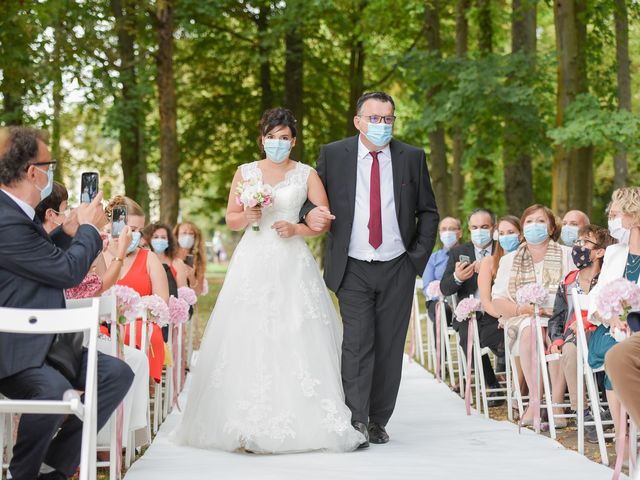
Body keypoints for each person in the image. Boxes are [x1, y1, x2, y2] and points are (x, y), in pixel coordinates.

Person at [173, 107, 364, 453]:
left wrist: (296, 228)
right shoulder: (245, 172)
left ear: (294, 141)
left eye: (284, 138)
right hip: (253, 258)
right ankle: (244, 423)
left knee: (296, 329)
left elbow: (324, 221)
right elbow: (230, 219)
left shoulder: (306, 174)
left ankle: (303, 418)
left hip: (292, 259)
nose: (277, 143)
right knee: (249, 331)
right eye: (271, 138)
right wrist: (247, 215)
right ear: (262, 140)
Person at [301, 91, 439, 445]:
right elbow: (308, 199)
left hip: (397, 265)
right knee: (358, 343)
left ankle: (378, 420)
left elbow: (428, 211)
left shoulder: (411, 157)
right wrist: (307, 214)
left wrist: (416, 260)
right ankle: (356, 419)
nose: (381, 125)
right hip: (353, 265)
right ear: (358, 121)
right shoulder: (333, 155)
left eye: (388, 119)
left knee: (390, 345)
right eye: (374, 118)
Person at [0, 126, 134, 480]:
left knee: (116, 374)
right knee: (54, 391)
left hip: (46, 347)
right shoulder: (4, 219)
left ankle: (51, 470)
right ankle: (22, 473)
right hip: (13, 351)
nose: (51, 173)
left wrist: (69, 231)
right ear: (32, 171)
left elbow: (38, 259)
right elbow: (65, 272)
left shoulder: (17, 214)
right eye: (50, 165)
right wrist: (89, 230)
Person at [492, 204, 574, 427]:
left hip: (562, 317)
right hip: (523, 318)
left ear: (550, 229)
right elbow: (498, 300)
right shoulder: (509, 260)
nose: (533, 226)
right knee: (531, 330)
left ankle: (556, 403)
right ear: (522, 229)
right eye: (529, 221)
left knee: (554, 335)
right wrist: (522, 310)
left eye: (540, 221)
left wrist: (556, 313)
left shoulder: (567, 255)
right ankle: (535, 402)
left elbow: (577, 291)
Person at [547, 225, 613, 441]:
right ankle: (582, 413)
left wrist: (587, 321)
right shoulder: (568, 281)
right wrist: (556, 338)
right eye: (578, 242)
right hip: (574, 336)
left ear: (600, 252)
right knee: (570, 349)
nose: (579, 247)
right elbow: (557, 315)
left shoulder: (607, 279)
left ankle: (612, 411)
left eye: (586, 243)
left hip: (602, 329)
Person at [588, 187, 640, 458]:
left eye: (616, 213)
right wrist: (610, 317)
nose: (610, 217)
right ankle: (623, 434)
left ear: (633, 216)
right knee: (614, 353)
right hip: (610, 329)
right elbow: (595, 299)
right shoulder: (614, 254)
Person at [103, 196, 169, 384]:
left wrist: (135, 311)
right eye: (131, 230)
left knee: (142, 333)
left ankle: (142, 384)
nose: (136, 235)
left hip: (141, 324)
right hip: (105, 324)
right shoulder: (99, 255)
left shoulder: (149, 258)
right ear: (116, 225)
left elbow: (162, 301)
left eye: (139, 231)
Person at [441, 209, 504, 403]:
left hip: (497, 310)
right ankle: (492, 384)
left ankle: (507, 368)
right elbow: (445, 288)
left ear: (493, 228)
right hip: (470, 314)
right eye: (475, 227)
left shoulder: (502, 249)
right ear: (468, 229)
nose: (480, 231)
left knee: (497, 337)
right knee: (469, 336)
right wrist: (457, 278)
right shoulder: (459, 252)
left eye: (484, 227)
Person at [422, 216, 462, 329]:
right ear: (439, 233)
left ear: (460, 233)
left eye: (452, 229)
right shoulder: (433, 258)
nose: (447, 232)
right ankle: (441, 347)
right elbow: (426, 288)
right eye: (444, 229)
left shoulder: (466, 254)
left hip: (462, 300)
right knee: (442, 310)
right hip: (440, 302)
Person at [174, 221, 207, 295]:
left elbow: (198, 292)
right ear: (176, 236)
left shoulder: (198, 260)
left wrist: (191, 277)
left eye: (191, 234)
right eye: (184, 233)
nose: (187, 236)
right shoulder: (170, 257)